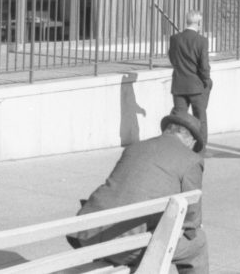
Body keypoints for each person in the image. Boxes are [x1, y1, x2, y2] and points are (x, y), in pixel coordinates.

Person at [68, 112, 208, 273]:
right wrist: (191, 229)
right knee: (197, 243)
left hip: (86, 234)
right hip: (125, 245)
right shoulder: (191, 159)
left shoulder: (134, 147)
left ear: (167, 130)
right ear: (190, 140)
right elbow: (191, 216)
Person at [169, 10, 212, 145]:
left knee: (179, 119)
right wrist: (207, 80)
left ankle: (177, 146)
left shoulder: (174, 39)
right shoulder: (201, 41)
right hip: (196, 86)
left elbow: (172, 58)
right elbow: (204, 65)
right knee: (200, 118)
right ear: (198, 23)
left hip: (179, 84)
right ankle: (200, 148)